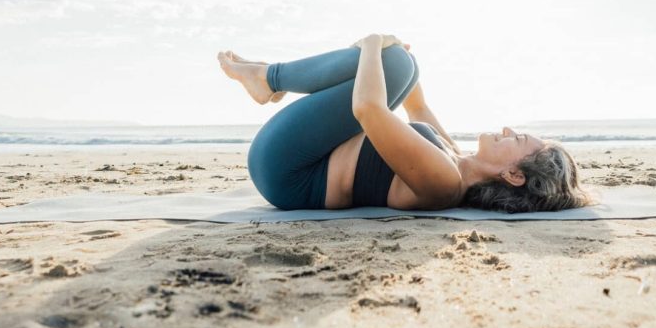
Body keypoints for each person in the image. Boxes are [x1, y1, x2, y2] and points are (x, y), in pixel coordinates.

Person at [219, 34, 595, 213]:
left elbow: (368, 109)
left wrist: (369, 47)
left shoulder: (446, 182)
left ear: (514, 175)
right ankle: (267, 78)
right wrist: (402, 59)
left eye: (519, 138)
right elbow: (418, 107)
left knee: (394, 63)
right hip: (298, 160)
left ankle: (268, 78)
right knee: (404, 65)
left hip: (288, 170)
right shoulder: (455, 159)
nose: (509, 129)